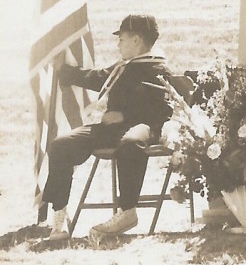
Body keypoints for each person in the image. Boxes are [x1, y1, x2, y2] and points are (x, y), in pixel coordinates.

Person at [43, 14, 175, 240]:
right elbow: (98, 78)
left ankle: (128, 211)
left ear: (136, 40)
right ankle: (59, 215)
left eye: (122, 39)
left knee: (131, 143)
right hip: (111, 129)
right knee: (61, 145)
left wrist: (124, 114)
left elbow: (163, 111)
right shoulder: (124, 67)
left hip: (143, 127)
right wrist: (64, 71)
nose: (118, 44)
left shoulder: (158, 68)